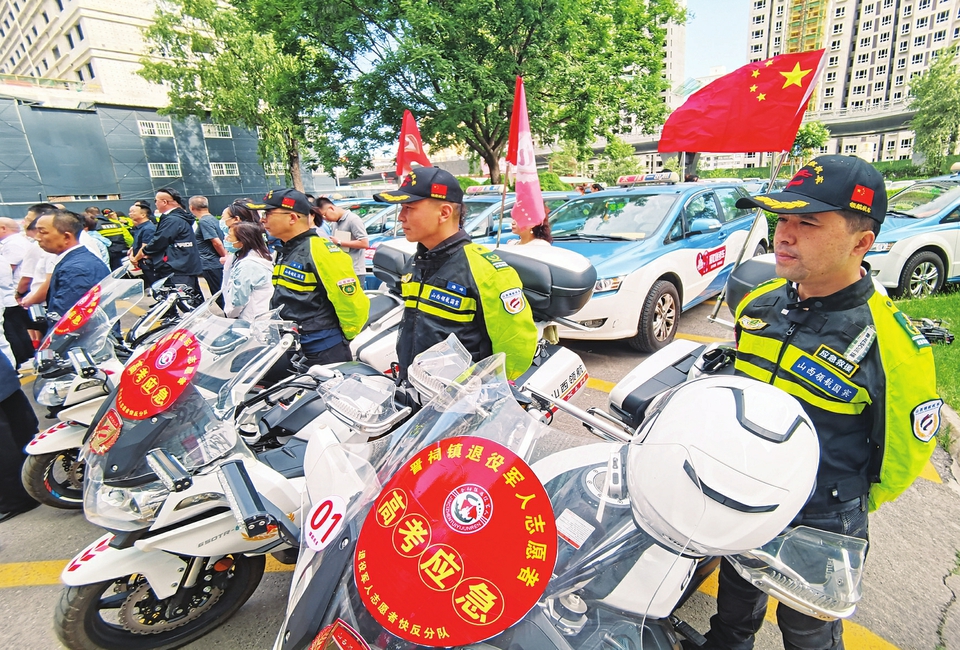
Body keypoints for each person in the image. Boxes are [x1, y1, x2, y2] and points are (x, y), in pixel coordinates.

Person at [692, 155, 941, 650]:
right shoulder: (760, 303)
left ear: (861, 242)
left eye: (807, 222)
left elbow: (901, 457)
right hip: (751, 493)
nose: (785, 234)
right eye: (782, 218)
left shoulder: (892, 343)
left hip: (825, 514)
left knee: (808, 628)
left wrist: (841, 503)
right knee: (736, 599)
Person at [373, 167, 537, 380]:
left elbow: (517, 348)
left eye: (409, 208)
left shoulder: (486, 271)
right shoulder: (417, 262)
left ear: (444, 213)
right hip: (416, 388)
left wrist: (480, 390)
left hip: (461, 402)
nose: (401, 218)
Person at [249, 189, 369, 368]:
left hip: (322, 349)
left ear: (292, 218)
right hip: (294, 345)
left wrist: (341, 338)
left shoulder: (321, 250)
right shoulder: (286, 250)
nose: (262, 219)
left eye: (268, 213)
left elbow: (352, 303)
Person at [35, 210, 109, 322]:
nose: (37, 237)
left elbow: (67, 319)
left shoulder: (76, 270)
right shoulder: (80, 260)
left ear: (66, 237)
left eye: (43, 232)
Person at [131, 188, 203, 293]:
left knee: (184, 300)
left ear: (164, 202)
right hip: (184, 263)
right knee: (191, 299)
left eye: (156, 201)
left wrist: (142, 253)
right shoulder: (178, 217)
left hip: (177, 266)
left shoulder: (172, 219)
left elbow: (159, 240)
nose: (155, 204)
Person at [0, 346, 40, 523]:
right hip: (4, 375)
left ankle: (16, 498)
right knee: (22, 428)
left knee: (4, 444)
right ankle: (35, 484)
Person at [0, 215, 37, 365]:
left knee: (11, 332)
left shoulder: (13, 244)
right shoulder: (15, 242)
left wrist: (19, 292)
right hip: (10, 294)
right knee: (17, 329)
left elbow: (10, 268)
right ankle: (24, 357)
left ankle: (20, 360)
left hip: (11, 294)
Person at [222, 222, 274, 320]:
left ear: (242, 242)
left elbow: (239, 299)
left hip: (249, 319)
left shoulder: (248, 265)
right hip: (257, 315)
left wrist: (230, 314)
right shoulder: (258, 256)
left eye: (230, 237)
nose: (226, 239)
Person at [316, 197, 369, 287]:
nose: (325, 219)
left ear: (331, 208)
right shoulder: (334, 223)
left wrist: (340, 242)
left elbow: (364, 243)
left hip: (355, 270)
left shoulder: (353, 220)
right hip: (341, 269)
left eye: (324, 215)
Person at [188, 195, 227, 309]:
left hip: (211, 263)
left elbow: (216, 242)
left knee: (219, 294)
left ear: (191, 207)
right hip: (214, 263)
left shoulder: (204, 222)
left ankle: (230, 317)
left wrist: (225, 257)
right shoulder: (213, 219)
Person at [127, 201, 157, 283]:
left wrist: (135, 259)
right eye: (130, 212)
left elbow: (145, 247)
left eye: (133, 212)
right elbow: (136, 244)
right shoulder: (139, 227)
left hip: (148, 263)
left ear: (143, 215)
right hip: (141, 262)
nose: (130, 214)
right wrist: (132, 255)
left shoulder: (148, 228)